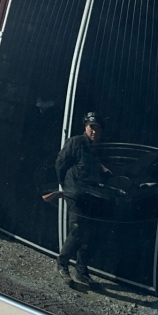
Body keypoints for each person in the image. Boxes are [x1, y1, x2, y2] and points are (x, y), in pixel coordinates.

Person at [49, 112, 110, 286]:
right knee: (77, 231)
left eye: (98, 128)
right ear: (85, 127)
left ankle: (81, 271)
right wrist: (67, 187)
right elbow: (60, 163)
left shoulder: (98, 149)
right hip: (76, 196)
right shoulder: (76, 142)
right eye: (91, 127)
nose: (94, 131)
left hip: (92, 196)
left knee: (91, 233)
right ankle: (62, 264)